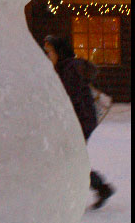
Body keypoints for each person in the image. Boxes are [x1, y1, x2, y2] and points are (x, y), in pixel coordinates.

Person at [43, 35, 115, 211]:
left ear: (59, 52)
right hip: (77, 120)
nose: (47, 56)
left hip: (80, 121)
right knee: (69, 159)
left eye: (49, 52)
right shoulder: (63, 68)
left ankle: (99, 188)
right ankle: (100, 188)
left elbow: (69, 98)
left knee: (69, 160)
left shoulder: (69, 70)